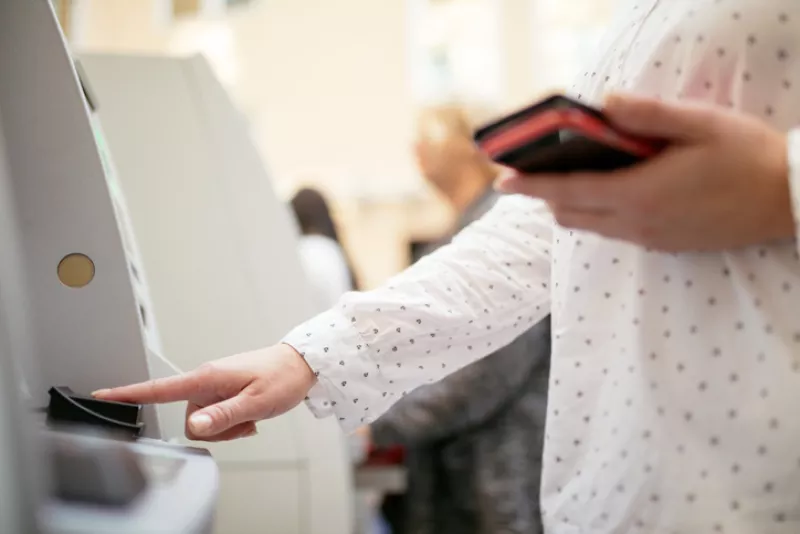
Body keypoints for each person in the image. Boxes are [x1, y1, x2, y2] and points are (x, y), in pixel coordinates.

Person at [95, 2, 800, 532]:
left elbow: (486, 373)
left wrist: (783, 186)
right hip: (617, 492)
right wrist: (313, 354)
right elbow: (538, 238)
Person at [363, 105, 549, 534]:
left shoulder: (501, 224)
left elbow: (486, 370)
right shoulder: (464, 227)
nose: (416, 147)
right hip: (459, 478)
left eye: (430, 134)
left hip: (498, 481)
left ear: (472, 143)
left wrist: (379, 424)